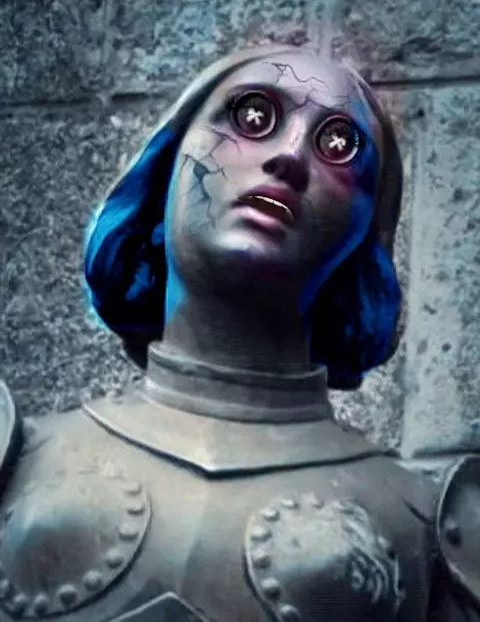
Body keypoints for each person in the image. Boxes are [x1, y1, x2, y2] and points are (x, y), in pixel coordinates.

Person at [0, 45, 478, 622]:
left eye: (337, 145)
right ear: (166, 165)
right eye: (253, 117)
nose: (290, 156)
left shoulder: (431, 528)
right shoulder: (16, 456)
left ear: (364, 231)